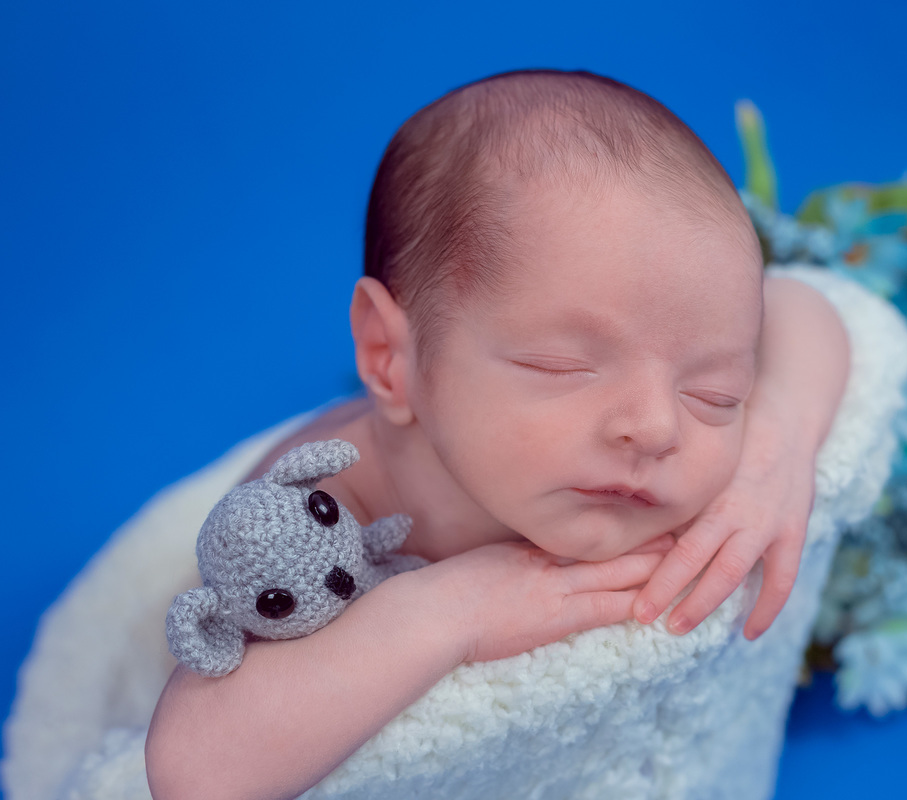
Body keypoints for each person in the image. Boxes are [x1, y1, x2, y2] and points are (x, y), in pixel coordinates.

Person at [144, 68, 851, 800]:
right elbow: (194, 772)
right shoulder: (318, 515)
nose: (654, 426)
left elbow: (812, 305)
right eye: (563, 365)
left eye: (714, 393)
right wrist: (452, 609)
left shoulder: (677, 433)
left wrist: (778, 440)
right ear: (391, 359)